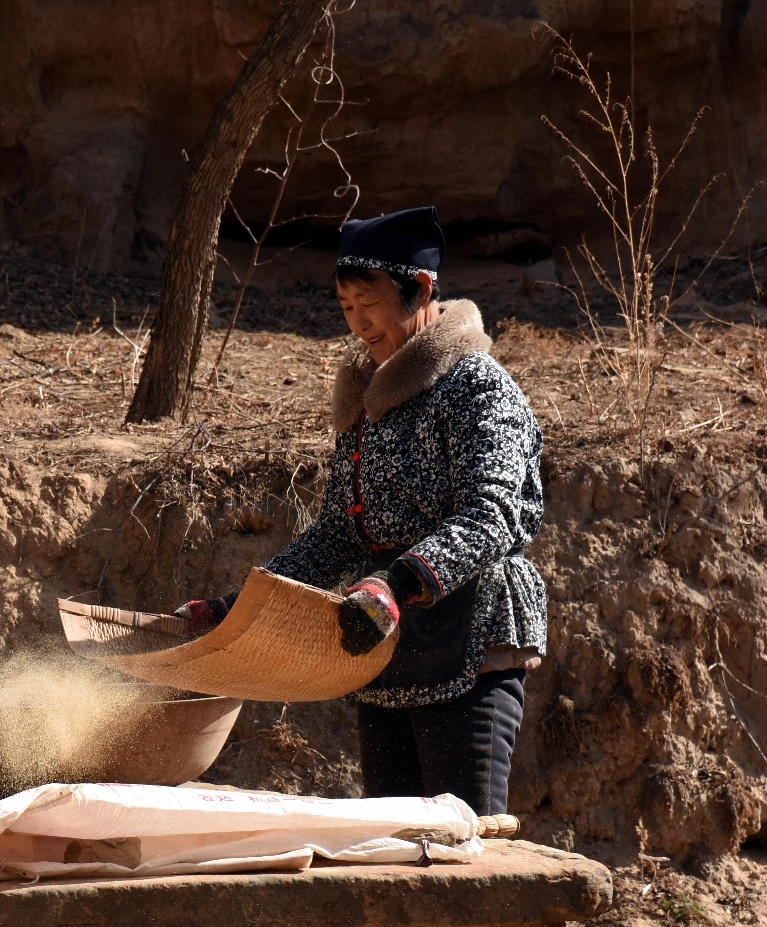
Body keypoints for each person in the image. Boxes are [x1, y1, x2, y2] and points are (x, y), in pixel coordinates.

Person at [177, 205, 547, 829]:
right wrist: (239, 606)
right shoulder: (368, 398)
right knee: (398, 859)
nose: (357, 320)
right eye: (345, 305)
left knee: (465, 855)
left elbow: (494, 515)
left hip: (470, 641)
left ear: (422, 289)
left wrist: (395, 584)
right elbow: (338, 536)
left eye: (368, 301)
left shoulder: (480, 387)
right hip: (383, 648)